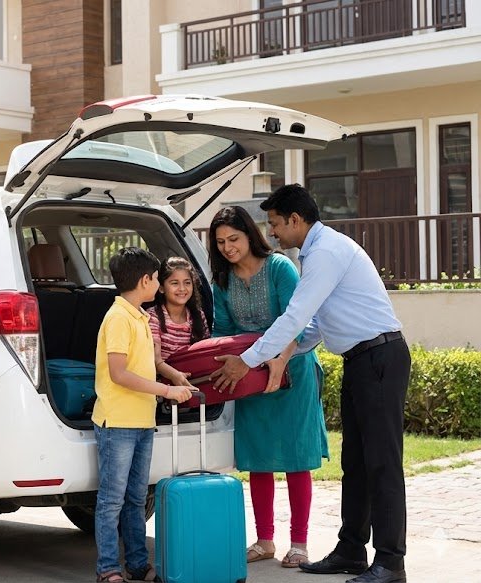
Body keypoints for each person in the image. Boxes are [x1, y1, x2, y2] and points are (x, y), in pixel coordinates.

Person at [211, 185, 410, 583]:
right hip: (359, 361)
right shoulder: (316, 252)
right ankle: (352, 550)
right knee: (355, 463)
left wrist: (247, 361)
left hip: (380, 358)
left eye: (276, 224)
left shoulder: (324, 252)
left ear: (296, 221)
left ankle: (391, 562)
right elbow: (312, 328)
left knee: (382, 465)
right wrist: (282, 356)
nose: (273, 234)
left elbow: (295, 316)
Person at [206, 206, 329, 569]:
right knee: (258, 459)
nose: (228, 247)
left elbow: (297, 320)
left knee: (295, 459)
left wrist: (275, 359)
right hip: (249, 377)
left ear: (250, 235)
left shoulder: (279, 267)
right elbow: (222, 333)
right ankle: (264, 540)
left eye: (234, 239)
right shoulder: (222, 281)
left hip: (294, 372)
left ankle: (300, 544)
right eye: (220, 242)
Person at [92, 247, 193, 583]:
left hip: (142, 421)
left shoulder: (141, 316)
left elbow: (148, 363)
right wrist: (165, 391)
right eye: (157, 278)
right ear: (145, 280)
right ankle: (108, 569)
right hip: (117, 422)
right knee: (112, 501)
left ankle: (137, 564)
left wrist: (174, 377)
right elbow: (119, 373)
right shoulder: (118, 318)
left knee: (136, 498)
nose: (160, 285)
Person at [147, 256, 209, 384]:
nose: (182, 288)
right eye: (174, 283)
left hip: (195, 383)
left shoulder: (198, 315)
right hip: (163, 388)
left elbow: (205, 352)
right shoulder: (153, 317)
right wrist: (175, 376)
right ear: (161, 287)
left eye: (187, 282)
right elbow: (154, 360)